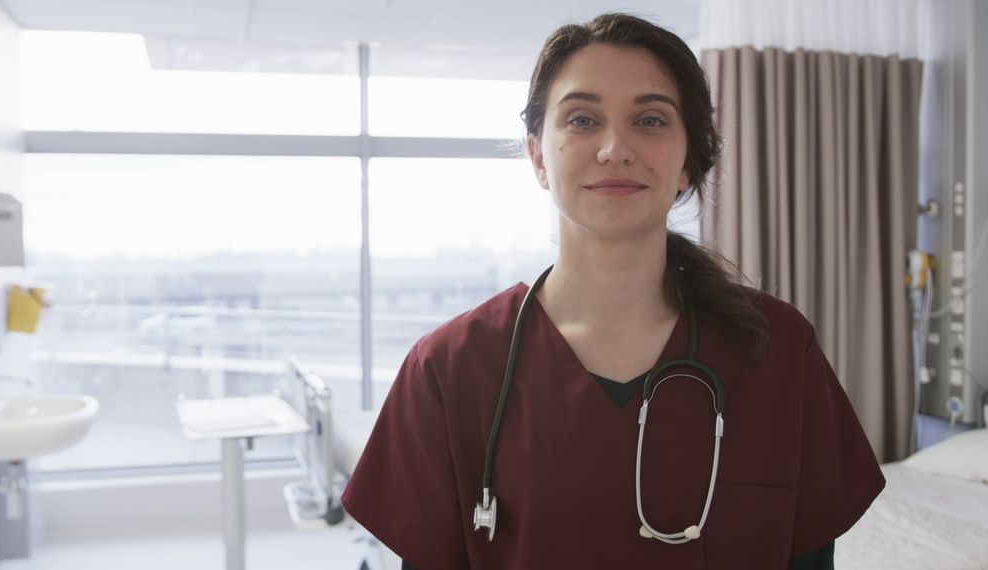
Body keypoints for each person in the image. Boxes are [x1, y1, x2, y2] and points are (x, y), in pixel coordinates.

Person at [340, 12, 884, 570]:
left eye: (650, 120)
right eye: (582, 119)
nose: (615, 147)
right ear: (537, 156)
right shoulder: (449, 368)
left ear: (688, 164)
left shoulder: (776, 351)